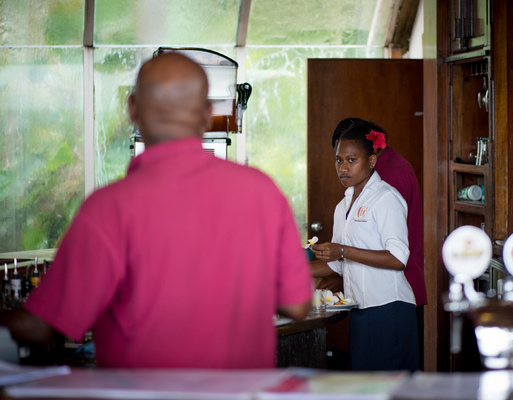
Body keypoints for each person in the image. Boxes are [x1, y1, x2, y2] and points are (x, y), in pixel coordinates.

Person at [0, 52, 312, 369]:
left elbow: (42, 326)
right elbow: (298, 304)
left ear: (132, 109)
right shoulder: (261, 191)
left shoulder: (109, 207)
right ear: (207, 113)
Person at [311, 123, 419, 372]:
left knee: (391, 388)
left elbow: (398, 257)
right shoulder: (343, 205)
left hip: (388, 308)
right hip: (359, 308)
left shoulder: (386, 198)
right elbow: (337, 263)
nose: (343, 168)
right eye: (338, 160)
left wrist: (343, 250)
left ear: (371, 161)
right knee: (366, 386)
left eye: (351, 160)